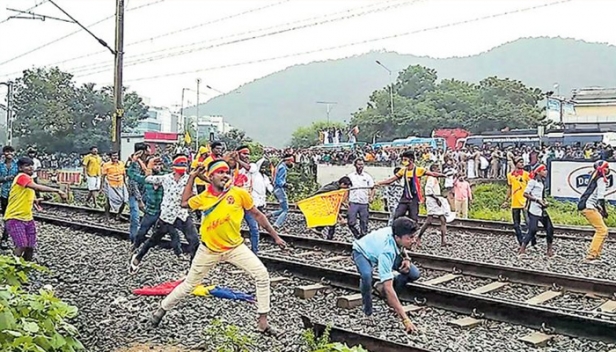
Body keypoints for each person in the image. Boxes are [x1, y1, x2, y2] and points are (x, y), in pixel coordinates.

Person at [150, 160, 287, 337]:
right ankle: (161, 310)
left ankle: (263, 323)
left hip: (235, 248)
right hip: (208, 250)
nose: (225, 175)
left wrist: (275, 237)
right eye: (220, 172)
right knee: (190, 285)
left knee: (262, 275)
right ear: (211, 176)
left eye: (228, 172)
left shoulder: (239, 194)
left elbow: (258, 215)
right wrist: (191, 176)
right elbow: (184, 203)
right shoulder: (203, 197)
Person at [128, 154, 199, 273]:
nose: (183, 167)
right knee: (153, 240)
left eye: (185, 164)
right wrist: (140, 164)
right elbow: (145, 178)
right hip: (166, 216)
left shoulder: (190, 179)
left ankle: (192, 271)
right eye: (180, 164)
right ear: (173, 167)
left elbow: (194, 195)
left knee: (194, 241)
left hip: (182, 215)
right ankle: (137, 257)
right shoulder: (165, 178)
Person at [352, 217, 420, 332]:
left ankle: (384, 293)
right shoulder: (387, 252)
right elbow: (389, 287)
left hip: (378, 249)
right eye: (410, 238)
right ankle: (367, 312)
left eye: (413, 236)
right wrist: (405, 320)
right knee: (367, 277)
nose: (413, 240)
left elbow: (401, 246)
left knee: (413, 273)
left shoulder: (395, 231)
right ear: (397, 238)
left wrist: (406, 258)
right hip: (362, 252)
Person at [4, 157, 67, 261]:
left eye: (31, 165)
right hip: (15, 217)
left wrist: (36, 201)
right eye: (27, 165)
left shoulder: (29, 180)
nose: (30, 167)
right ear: (20, 168)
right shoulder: (21, 177)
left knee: (30, 246)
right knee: (22, 245)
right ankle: (13, 267)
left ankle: (25, 268)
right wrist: (57, 190)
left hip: (28, 218)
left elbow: (28, 196)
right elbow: (37, 187)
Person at [376, 150, 444, 222]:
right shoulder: (403, 171)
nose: (403, 161)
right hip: (405, 198)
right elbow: (392, 180)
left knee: (413, 219)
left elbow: (432, 174)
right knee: (397, 216)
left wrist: (444, 175)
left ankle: (412, 232)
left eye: (405, 160)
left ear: (411, 160)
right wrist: (379, 183)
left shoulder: (419, 170)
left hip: (414, 198)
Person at [518, 164, 554, 257]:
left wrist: (544, 201)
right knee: (532, 230)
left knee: (550, 228)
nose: (546, 172)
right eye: (544, 170)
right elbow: (525, 194)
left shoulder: (542, 182)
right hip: (534, 209)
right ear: (538, 172)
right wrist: (537, 200)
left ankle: (549, 250)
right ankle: (522, 249)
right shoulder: (532, 182)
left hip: (542, 209)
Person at [578, 160, 610, 262]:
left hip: (587, 205)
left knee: (602, 230)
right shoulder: (601, 180)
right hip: (589, 206)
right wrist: (604, 211)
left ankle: (596, 255)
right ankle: (591, 255)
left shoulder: (594, 177)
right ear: (604, 169)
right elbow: (601, 197)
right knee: (602, 230)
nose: (608, 169)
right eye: (607, 167)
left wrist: (599, 208)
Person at [502, 157, 533, 246]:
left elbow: (531, 186)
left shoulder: (527, 174)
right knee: (516, 224)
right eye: (520, 162)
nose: (522, 164)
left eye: (522, 162)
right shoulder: (510, 175)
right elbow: (510, 188)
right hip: (515, 202)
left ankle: (529, 239)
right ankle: (521, 242)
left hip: (525, 201)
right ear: (516, 164)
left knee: (528, 222)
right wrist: (506, 200)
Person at [416, 164, 449, 247]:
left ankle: (443, 240)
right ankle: (418, 237)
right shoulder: (431, 178)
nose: (439, 170)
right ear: (433, 169)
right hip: (432, 199)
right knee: (429, 220)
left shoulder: (435, 179)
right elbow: (428, 190)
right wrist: (436, 199)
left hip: (436, 198)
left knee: (443, 219)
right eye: (437, 168)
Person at [249, 158, 273, 253]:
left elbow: (269, 186)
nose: (264, 168)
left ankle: (255, 248)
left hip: (261, 201)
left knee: (258, 222)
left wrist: (273, 191)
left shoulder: (265, 177)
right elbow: (251, 168)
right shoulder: (254, 174)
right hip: (253, 200)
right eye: (262, 166)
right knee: (254, 226)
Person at [346, 158, 375, 239]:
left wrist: (371, 197)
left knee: (364, 222)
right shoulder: (350, 176)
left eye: (362, 164)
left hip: (364, 202)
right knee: (351, 222)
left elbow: (373, 187)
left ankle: (363, 237)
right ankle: (357, 235)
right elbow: (346, 189)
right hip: (353, 201)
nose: (360, 166)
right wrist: (345, 200)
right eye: (359, 164)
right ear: (355, 165)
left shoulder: (367, 176)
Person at [0, 145, 18, 250]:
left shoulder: (18, 165)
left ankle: (8, 237)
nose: (8, 154)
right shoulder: (1, 166)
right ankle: (5, 238)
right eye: (6, 152)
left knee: (13, 216)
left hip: (15, 194)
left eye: (10, 151)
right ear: (4, 154)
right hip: (4, 194)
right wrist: (6, 178)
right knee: (6, 216)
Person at [100, 151, 128, 219]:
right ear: (110, 157)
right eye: (114, 156)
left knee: (125, 200)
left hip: (121, 184)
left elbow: (124, 174)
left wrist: (126, 184)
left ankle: (119, 214)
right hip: (111, 184)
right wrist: (101, 187)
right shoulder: (106, 165)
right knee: (108, 200)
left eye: (117, 156)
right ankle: (107, 216)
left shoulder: (121, 163)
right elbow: (103, 176)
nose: (115, 157)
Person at [271, 153, 294, 229]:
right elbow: (279, 181)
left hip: (276, 189)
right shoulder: (282, 168)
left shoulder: (279, 166)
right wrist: (287, 185)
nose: (292, 163)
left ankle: (267, 215)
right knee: (285, 210)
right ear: (287, 160)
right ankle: (276, 225)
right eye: (291, 161)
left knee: (282, 209)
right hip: (279, 189)